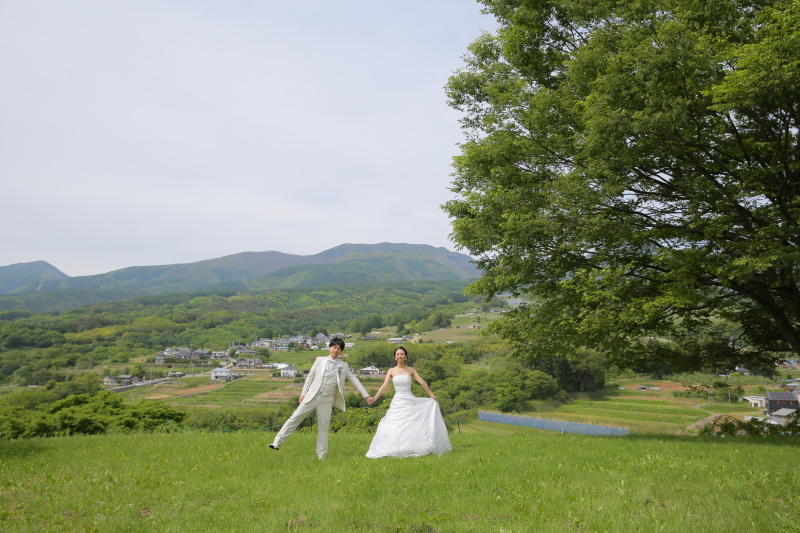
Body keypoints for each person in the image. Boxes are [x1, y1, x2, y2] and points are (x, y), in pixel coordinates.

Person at [269, 338, 372, 459]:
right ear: (330, 348)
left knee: (323, 427)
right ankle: (277, 442)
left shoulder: (343, 366)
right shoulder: (319, 360)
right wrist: (303, 394)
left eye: (338, 348)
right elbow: (310, 377)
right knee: (295, 417)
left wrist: (366, 396)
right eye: (334, 347)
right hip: (312, 395)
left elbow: (355, 380)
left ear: (341, 352)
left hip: (327, 399)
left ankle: (321, 455)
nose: (335, 350)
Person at [365, 346, 451, 458]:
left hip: (409, 399)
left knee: (412, 423)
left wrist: (431, 395)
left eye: (402, 354)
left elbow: (423, 383)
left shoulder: (411, 370)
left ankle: (414, 447)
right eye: (397, 354)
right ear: (395, 357)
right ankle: (393, 448)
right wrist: (375, 398)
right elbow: (384, 385)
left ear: (406, 356)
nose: (399, 356)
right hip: (397, 401)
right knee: (393, 424)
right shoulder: (391, 371)